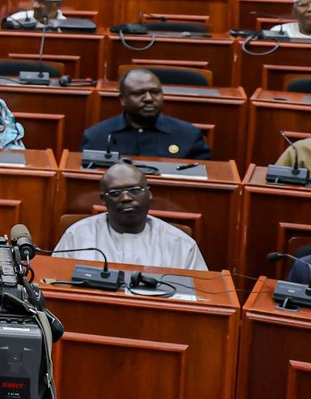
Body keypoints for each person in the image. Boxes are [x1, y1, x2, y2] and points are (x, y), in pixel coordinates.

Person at [55, 163, 207, 270]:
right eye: (115, 193)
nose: (126, 198)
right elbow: (52, 284)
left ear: (149, 194)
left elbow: (199, 299)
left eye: (135, 190)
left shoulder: (182, 245)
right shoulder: (77, 236)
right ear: (103, 200)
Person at [82, 68, 212, 159]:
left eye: (155, 92)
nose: (149, 98)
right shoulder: (96, 137)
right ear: (122, 99)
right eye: (138, 93)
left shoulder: (188, 135)